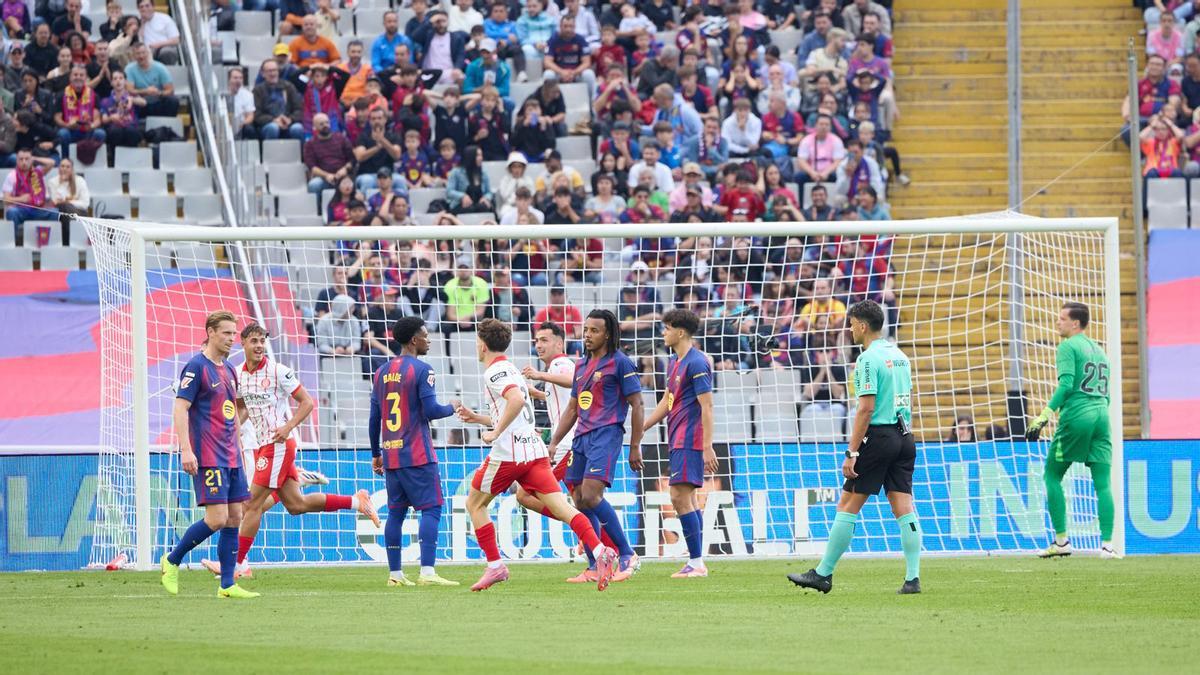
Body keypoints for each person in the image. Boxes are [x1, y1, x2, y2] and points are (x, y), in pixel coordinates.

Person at [198, 323, 380, 583]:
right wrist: (232, 430)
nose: (259, 346)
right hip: (262, 444)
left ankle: (237, 564)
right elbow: (242, 407)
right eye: (254, 342)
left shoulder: (278, 371)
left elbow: (307, 402)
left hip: (279, 444)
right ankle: (356, 501)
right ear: (244, 344)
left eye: (262, 341)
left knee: (251, 505)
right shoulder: (237, 374)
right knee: (296, 505)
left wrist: (288, 426)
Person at [455, 318, 617, 591]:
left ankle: (495, 565)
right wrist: (479, 419)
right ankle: (601, 550)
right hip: (534, 452)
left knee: (475, 504)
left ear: (482, 345)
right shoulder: (513, 371)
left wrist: (494, 434)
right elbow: (518, 407)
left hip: (508, 454)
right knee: (563, 508)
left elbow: (517, 402)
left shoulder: (493, 373)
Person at [788, 300, 920, 595]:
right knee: (904, 508)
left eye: (850, 324)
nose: (849, 330)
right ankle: (913, 578)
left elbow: (865, 409)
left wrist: (852, 452)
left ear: (862, 325)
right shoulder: (900, 356)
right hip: (905, 436)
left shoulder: (867, 360)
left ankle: (823, 574)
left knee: (847, 505)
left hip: (879, 437)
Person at [159, 311, 258, 599]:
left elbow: (235, 411)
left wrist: (239, 445)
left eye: (233, 334)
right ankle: (172, 560)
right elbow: (180, 408)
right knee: (216, 519)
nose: (231, 339)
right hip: (208, 454)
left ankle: (227, 585)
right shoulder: (196, 367)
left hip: (231, 455)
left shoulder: (229, 370)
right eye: (226, 333)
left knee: (234, 517)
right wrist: (186, 449)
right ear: (211, 332)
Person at [547, 309, 644, 583]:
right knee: (577, 499)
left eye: (594, 331)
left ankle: (627, 553)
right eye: (586, 329)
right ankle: (593, 564)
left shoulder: (620, 363)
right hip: (581, 436)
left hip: (607, 434)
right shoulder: (580, 365)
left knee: (590, 495)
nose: (587, 335)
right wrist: (554, 442)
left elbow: (637, 403)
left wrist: (635, 445)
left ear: (608, 334)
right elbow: (573, 407)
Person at [368, 317, 462, 587]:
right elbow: (432, 411)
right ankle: (428, 573)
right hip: (419, 455)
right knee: (432, 509)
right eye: (425, 334)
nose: (428, 339)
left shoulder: (381, 372)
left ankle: (395, 575)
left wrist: (376, 452)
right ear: (413, 340)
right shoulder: (423, 370)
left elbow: (375, 418)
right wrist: (452, 406)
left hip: (392, 456)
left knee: (395, 513)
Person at [1025, 302, 1118, 560]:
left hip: (1078, 415)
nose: (1058, 322)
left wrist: (1044, 415)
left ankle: (1062, 541)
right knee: (1102, 483)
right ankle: (1108, 546)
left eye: (1062, 318)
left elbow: (1066, 385)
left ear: (1075, 323)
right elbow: (1106, 393)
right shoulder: (1100, 351)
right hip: (1101, 415)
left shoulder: (1067, 346)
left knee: (1052, 475)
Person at [641, 309, 717, 578]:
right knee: (688, 498)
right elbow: (667, 400)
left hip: (691, 438)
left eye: (667, 328)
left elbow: (707, 407)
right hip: (677, 437)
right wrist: (643, 426)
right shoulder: (674, 362)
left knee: (677, 496)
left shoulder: (697, 363)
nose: (664, 332)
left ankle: (696, 562)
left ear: (680, 332)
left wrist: (708, 446)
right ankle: (696, 560)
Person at [54, 65, 105, 157]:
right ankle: (66, 161)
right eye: (75, 75)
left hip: (87, 131)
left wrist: (92, 126)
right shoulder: (61, 95)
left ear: (86, 78)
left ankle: (90, 159)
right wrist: (67, 125)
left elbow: (97, 119)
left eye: (81, 75)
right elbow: (57, 118)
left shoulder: (94, 95)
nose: (78, 77)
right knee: (62, 133)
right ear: (70, 77)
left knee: (100, 133)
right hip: (70, 131)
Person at [252, 59, 304, 140]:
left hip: (288, 122)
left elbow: (299, 109)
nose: (272, 73)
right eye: (269, 71)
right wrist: (274, 120)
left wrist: (290, 119)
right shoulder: (258, 90)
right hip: (268, 124)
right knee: (273, 128)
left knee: (298, 128)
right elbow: (257, 114)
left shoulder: (289, 87)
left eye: (274, 70)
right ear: (263, 73)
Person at [125, 43, 180, 118]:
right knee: (128, 101)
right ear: (134, 56)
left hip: (158, 100)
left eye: (143, 53)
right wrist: (146, 91)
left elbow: (170, 90)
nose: (141, 56)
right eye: (138, 54)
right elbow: (129, 90)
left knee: (173, 100)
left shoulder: (160, 68)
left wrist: (159, 93)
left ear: (148, 53)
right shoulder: (129, 69)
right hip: (140, 102)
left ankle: (168, 123)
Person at [3, 148, 54, 230]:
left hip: (38, 208)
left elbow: (51, 163)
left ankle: (50, 241)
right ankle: (14, 242)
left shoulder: (38, 172)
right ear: (17, 161)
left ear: (31, 160)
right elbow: (5, 199)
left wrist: (35, 158)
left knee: (54, 212)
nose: (24, 162)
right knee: (12, 212)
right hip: (21, 210)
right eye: (21, 159)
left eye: (27, 159)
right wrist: (20, 199)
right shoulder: (11, 176)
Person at [303, 112, 354, 193]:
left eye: (327, 122)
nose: (325, 125)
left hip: (343, 175)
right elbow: (312, 167)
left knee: (348, 183)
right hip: (323, 178)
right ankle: (318, 206)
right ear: (314, 127)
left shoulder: (341, 138)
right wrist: (326, 175)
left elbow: (352, 160)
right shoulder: (310, 144)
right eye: (321, 124)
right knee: (314, 185)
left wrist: (345, 169)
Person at [442, 262, 490, 332]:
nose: (463, 271)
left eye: (466, 268)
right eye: (460, 268)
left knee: (485, 325)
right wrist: (460, 320)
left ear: (471, 269)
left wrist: (468, 318)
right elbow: (450, 314)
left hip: (474, 319)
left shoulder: (481, 284)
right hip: (456, 320)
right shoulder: (450, 285)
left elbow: (480, 311)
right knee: (445, 327)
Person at [137, 0, 180, 65]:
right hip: (146, 51)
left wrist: (158, 44)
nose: (144, 9)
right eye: (141, 7)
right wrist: (142, 24)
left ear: (153, 6)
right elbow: (139, 41)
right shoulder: (136, 22)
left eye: (147, 6)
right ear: (139, 9)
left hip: (163, 48)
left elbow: (176, 40)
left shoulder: (164, 18)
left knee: (167, 52)